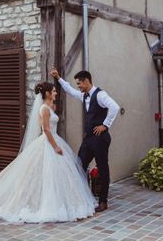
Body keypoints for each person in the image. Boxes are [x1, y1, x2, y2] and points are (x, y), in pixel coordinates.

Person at [0, 82, 97, 223]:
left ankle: (60, 202)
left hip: (54, 140)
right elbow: (46, 129)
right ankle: (41, 204)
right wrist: (55, 146)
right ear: (48, 93)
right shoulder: (44, 108)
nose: (56, 93)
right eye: (54, 91)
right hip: (49, 142)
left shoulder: (51, 107)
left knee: (55, 175)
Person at [51, 68, 120, 213]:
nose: (78, 87)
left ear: (86, 81)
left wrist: (105, 125)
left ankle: (103, 201)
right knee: (79, 165)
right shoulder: (84, 95)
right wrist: (58, 78)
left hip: (100, 139)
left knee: (102, 168)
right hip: (88, 139)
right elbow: (70, 90)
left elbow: (115, 107)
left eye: (79, 84)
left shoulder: (100, 94)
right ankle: (83, 197)